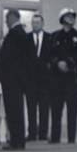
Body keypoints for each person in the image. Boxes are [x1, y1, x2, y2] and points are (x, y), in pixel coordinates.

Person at [48, 8, 77, 143]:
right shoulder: (54, 37)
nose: (71, 18)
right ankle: (55, 139)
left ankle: (71, 139)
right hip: (56, 78)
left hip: (72, 77)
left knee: (72, 110)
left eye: (72, 16)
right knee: (56, 110)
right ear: (62, 19)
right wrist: (57, 63)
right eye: (68, 16)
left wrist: (68, 63)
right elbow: (50, 54)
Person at [0, 8, 31, 149]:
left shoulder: (15, 33)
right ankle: (18, 140)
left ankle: (16, 141)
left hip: (12, 79)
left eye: (7, 18)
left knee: (13, 110)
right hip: (16, 79)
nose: (5, 21)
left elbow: (10, 58)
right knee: (16, 110)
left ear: (13, 17)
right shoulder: (21, 33)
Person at [26, 13, 53, 141]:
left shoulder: (50, 38)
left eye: (37, 23)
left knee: (44, 107)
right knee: (31, 107)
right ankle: (31, 133)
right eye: (33, 23)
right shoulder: (26, 38)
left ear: (42, 24)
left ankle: (43, 133)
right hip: (30, 79)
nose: (35, 25)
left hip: (45, 79)